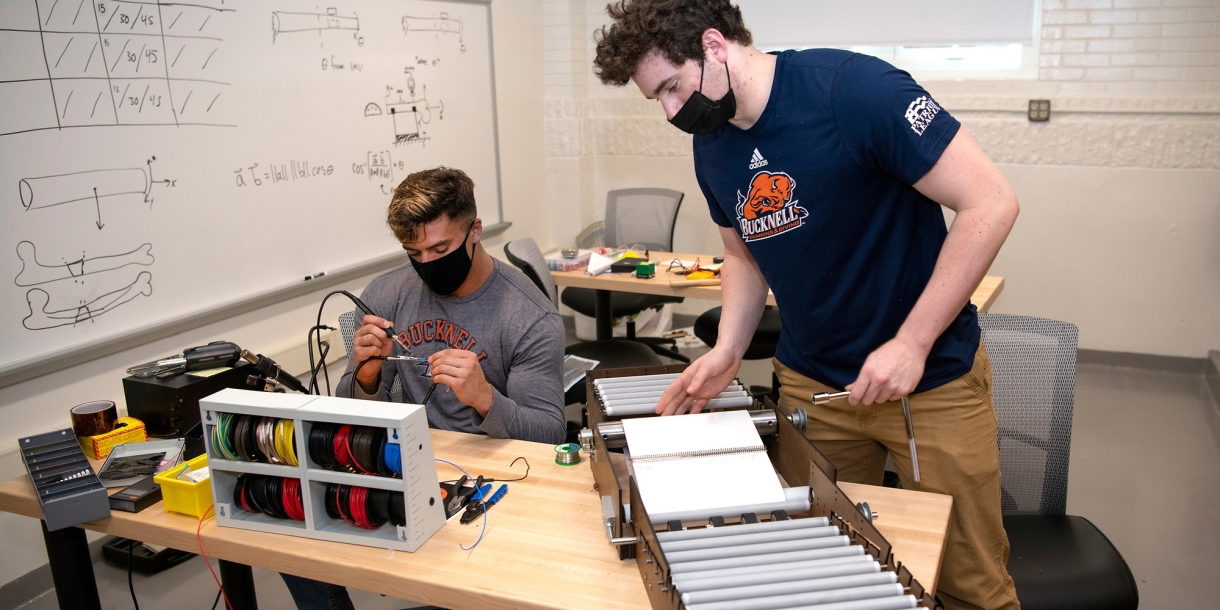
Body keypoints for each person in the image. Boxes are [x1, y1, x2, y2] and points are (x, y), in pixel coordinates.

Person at [592, 2, 1021, 609]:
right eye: (654, 99)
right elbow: (742, 256)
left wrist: (913, 342)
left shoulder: (855, 91)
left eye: (670, 87)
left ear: (714, 45)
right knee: (833, 567)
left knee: (969, 583)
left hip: (930, 384)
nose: (669, 112)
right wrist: (728, 349)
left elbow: (991, 203)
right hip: (815, 387)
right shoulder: (712, 143)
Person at [281, 166, 566, 610]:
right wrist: (366, 375)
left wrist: (484, 397)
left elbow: (549, 433)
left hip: (495, 478)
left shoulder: (529, 316)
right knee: (291, 531)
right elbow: (350, 415)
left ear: (475, 230)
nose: (428, 264)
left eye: (441, 248)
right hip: (407, 465)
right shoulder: (387, 292)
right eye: (414, 252)